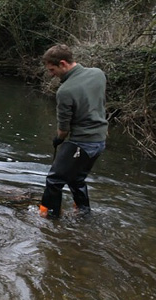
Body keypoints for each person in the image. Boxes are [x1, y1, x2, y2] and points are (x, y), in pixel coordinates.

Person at [39, 44, 108, 218]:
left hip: (82, 142)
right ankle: (84, 214)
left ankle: (49, 219)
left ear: (63, 63)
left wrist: (58, 140)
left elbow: (63, 129)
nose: (51, 74)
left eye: (52, 69)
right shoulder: (98, 74)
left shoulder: (65, 91)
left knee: (54, 180)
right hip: (99, 141)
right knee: (76, 179)